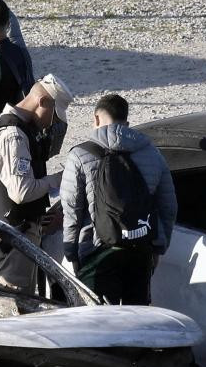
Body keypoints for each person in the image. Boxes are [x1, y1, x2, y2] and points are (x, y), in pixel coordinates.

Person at [61, 94, 177, 305]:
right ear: (127, 123)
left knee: (101, 324)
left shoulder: (79, 155)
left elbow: (71, 209)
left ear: (96, 118)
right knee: (136, 319)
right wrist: (158, 247)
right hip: (140, 249)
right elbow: (168, 206)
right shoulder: (152, 154)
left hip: (96, 252)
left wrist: (71, 253)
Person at [0, 74, 74, 292]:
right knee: (17, 301)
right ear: (42, 102)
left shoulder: (17, 130)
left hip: (17, 233)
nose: (53, 123)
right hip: (15, 236)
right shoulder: (13, 135)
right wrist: (55, 180)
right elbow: (21, 191)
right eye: (54, 115)